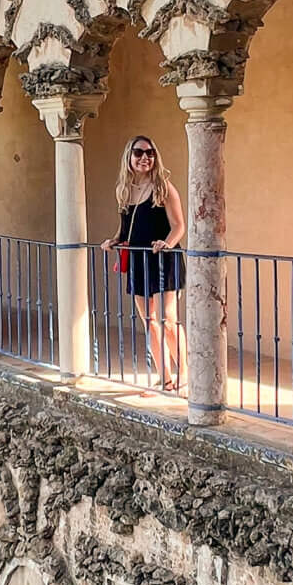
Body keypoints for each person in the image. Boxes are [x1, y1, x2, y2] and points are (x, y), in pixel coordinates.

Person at [107, 135, 188, 393]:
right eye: (139, 152)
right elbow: (126, 227)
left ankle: (185, 372)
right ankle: (164, 377)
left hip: (164, 260)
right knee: (149, 321)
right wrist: (115, 240)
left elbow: (179, 226)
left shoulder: (163, 188)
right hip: (139, 261)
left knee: (169, 319)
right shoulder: (124, 190)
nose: (145, 158)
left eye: (150, 153)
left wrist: (167, 243)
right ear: (129, 157)